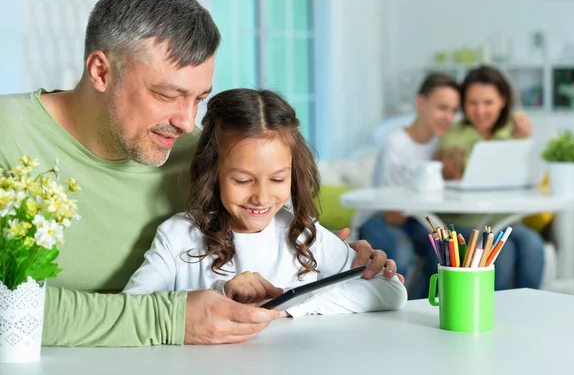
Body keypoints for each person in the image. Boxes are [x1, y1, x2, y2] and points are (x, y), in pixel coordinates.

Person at [0, 0, 396, 347]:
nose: (187, 122)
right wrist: (168, 318)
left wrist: (342, 263)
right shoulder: (8, 135)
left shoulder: (205, 155)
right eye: (167, 95)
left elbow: (271, 228)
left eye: (198, 98)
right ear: (101, 71)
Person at [123, 88, 408, 317]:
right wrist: (219, 296)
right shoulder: (178, 235)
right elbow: (130, 308)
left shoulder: (304, 235)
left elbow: (391, 291)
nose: (261, 197)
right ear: (214, 174)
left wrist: (286, 308)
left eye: (277, 179)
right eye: (243, 181)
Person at [437, 65, 545, 290]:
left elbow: (528, 179)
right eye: (472, 103)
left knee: (533, 246)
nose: (479, 111)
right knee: (502, 256)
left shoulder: (513, 131)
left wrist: (524, 142)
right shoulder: (453, 134)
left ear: (503, 100)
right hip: (467, 224)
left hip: (506, 222)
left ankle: (529, 312)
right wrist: (449, 173)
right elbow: (446, 187)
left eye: (488, 103)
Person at [358, 73, 461, 299]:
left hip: (414, 219)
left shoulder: (441, 144)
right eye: (442, 108)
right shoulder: (396, 143)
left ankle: (422, 303)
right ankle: (391, 307)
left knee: (444, 250)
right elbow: (392, 213)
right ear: (421, 103)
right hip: (382, 217)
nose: (449, 117)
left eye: (454, 110)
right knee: (401, 251)